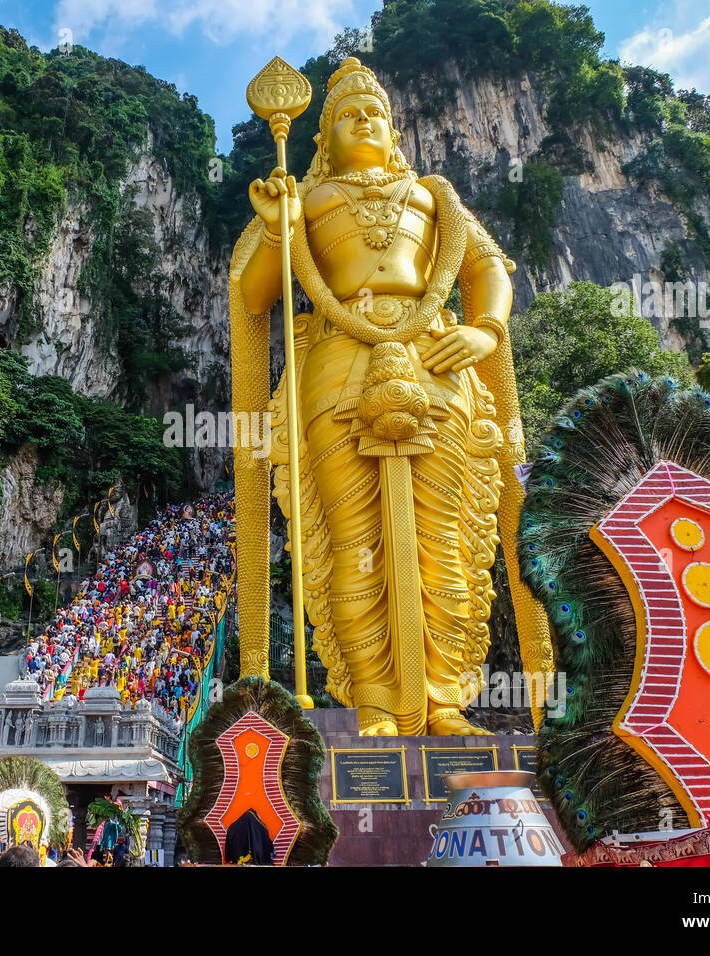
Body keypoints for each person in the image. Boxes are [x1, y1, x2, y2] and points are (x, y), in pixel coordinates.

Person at [230, 57, 526, 736]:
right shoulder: (305, 199)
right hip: (338, 361)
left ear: (394, 130)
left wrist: (485, 330)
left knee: (443, 536)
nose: (365, 119)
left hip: (435, 357)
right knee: (352, 534)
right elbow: (252, 293)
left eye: (376, 112)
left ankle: (446, 701)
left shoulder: (434, 196)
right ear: (323, 138)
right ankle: (374, 703)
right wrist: (280, 224)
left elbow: (487, 270)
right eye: (348, 115)